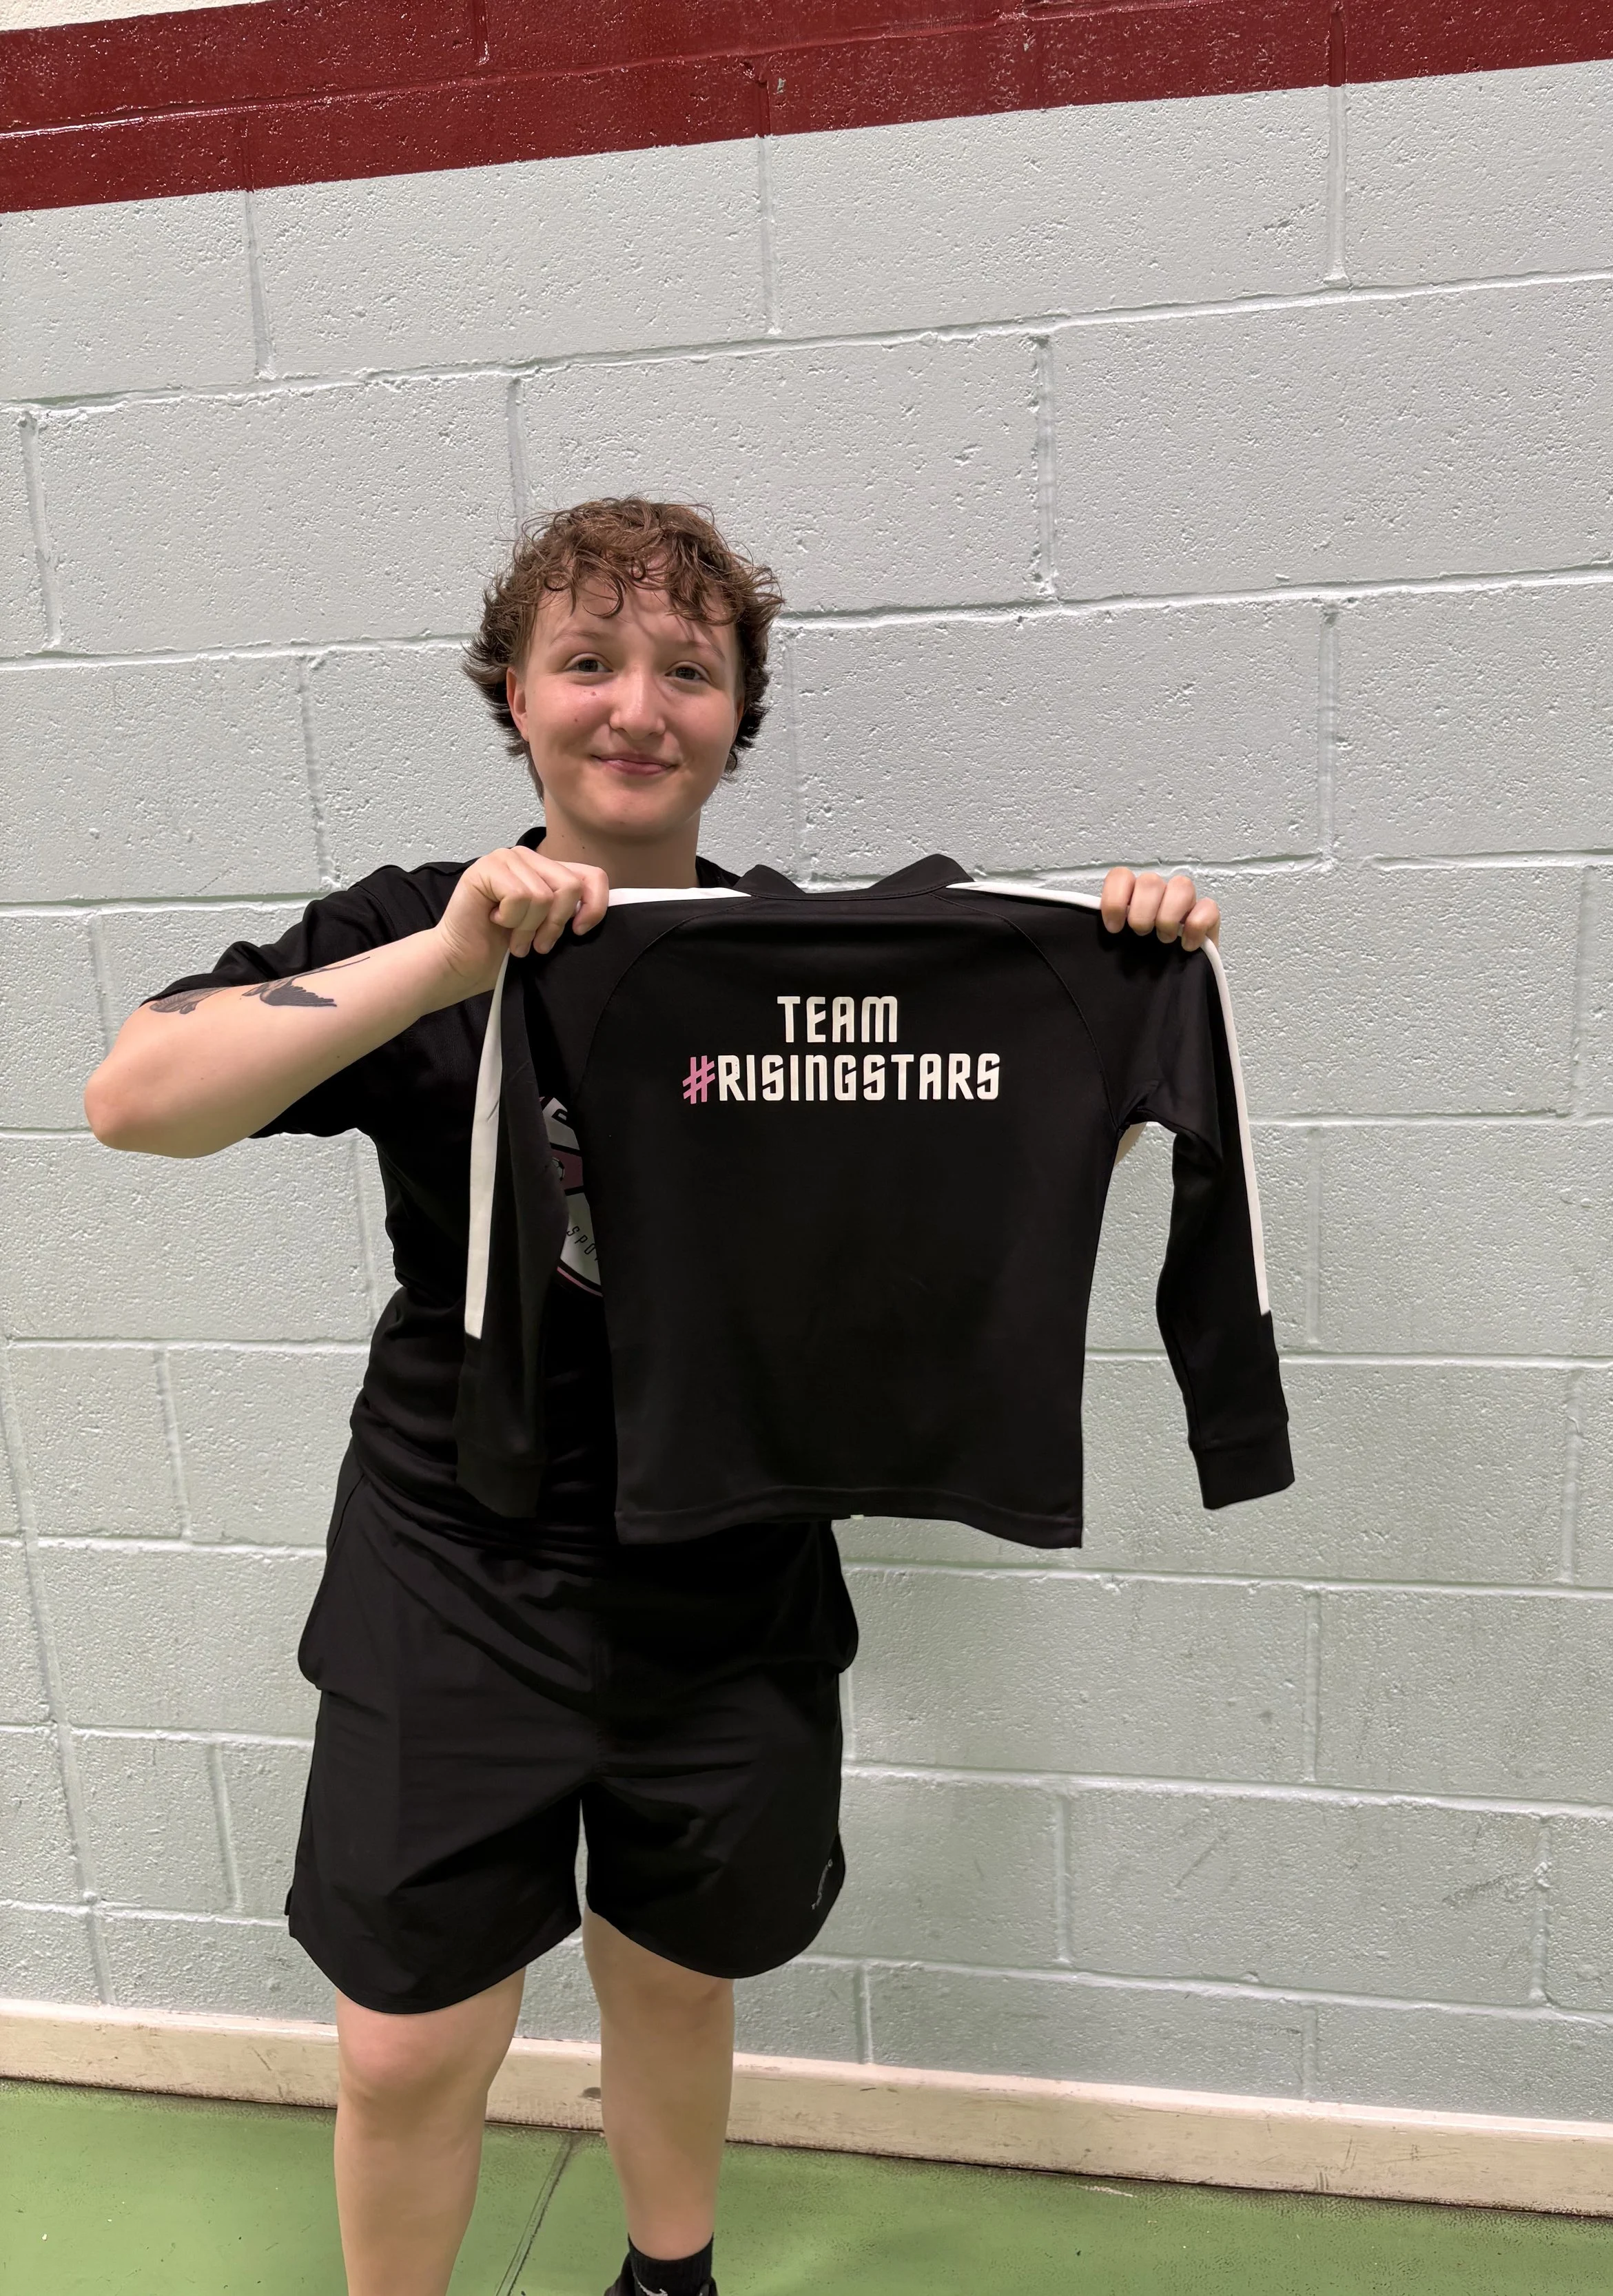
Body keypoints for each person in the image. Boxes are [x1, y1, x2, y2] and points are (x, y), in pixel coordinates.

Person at [83, 497, 1223, 2296]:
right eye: (587, 660)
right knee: (399, 2036)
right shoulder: (412, 928)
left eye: (686, 668)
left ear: (735, 712)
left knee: (675, 1967)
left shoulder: (794, 972)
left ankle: (665, 2277)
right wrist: (457, 957)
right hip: (455, 1565)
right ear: (515, 696)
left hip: (726, 1568)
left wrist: (1118, 943)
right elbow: (139, 1090)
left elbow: (1004, 1001)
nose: (636, 702)